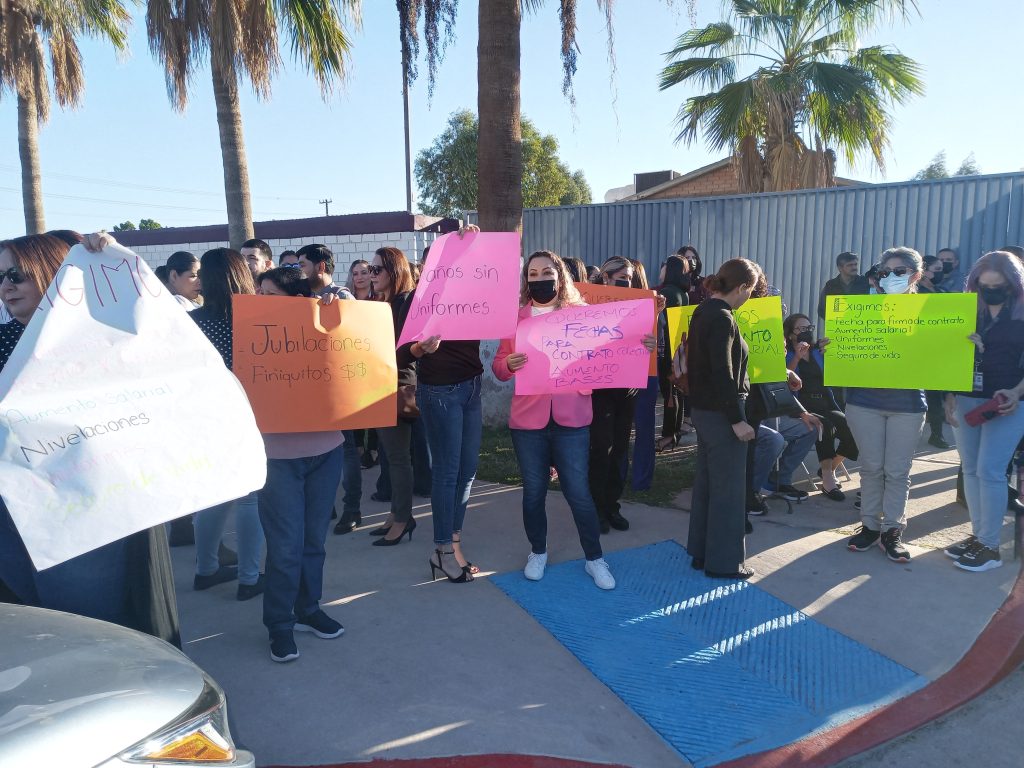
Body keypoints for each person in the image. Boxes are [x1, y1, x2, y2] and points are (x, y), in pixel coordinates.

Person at [0, 233, 180, 646]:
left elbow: (162, 338)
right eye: (1, 276)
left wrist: (107, 256)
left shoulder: (101, 340)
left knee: (101, 630)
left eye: (17, 274)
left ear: (52, 275)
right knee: (47, 632)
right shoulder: (3, 342)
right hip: (20, 521)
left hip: (95, 513)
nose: (6, 285)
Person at [492, 250, 616, 588]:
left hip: (572, 417)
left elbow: (612, 353)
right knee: (533, 491)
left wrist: (645, 339)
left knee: (578, 492)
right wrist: (508, 365)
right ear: (526, 280)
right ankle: (538, 551)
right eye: (533, 273)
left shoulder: (582, 315)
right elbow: (499, 365)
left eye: (546, 271)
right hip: (529, 421)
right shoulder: (516, 319)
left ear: (560, 275)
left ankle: (595, 558)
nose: (540, 278)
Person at [188, 249, 266, 601]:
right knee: (251, 498)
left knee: (212, 495)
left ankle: (206, 569)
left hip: (206, 414)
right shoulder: (257, 318)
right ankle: (250, 578)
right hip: (253, 411)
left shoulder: (191, 322)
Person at [845, 247, 929, 563]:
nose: (891, 278)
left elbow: (941, 354)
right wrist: (832, 348)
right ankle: (869, 526)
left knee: (897, 471)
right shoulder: (862, 310)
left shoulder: (932, 312)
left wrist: (965, 344)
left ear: (915, 275)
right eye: (885, 272)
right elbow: (847, 349)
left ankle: (892, 531)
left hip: (907, 404)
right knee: (871, 468)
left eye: (899, 271)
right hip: (863, 401)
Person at [943, 251, 1024, 572]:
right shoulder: (967, 310)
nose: (990, 290)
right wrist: (948, 395)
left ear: (1012, 284)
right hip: (966, 397)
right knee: (972, 470)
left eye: (998, 285)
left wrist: (1017, 393)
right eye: (984, 284)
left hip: (1007, 400)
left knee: (990, 470)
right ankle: (979, 536)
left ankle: (990, 547)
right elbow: (943, 355)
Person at [685, 258, 761, 579]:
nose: (750, 297)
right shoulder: (723, 318)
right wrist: (737, 420)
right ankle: (725, 563)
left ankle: (702, 553)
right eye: (751, 291)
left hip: (704, 412)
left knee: (707, 484)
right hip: (721, 413)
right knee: (729, 490)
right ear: (742, 287)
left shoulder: (702, 311)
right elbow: (723, 373)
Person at [417, 227, 485, 583]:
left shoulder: (475, 293)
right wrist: (418, 349)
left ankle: (453, 543)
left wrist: (470, 239)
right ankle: (442, 550)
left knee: (467, 469)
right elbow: (399, 352)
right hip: (439, 393)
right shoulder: (420, 298)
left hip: (472, 387)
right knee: (447, 471)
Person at [294, 244, 362, 536]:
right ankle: (328, 505)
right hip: (311, 389)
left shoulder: (342, 296)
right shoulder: (303, 297)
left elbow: (353, 340)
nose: (301, 271)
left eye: (304, 265)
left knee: (346, 450)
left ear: (321, 266)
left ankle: (352, 509)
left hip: (337, 391)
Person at [587, 257, 654, 533]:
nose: (627, 282)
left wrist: (650, 343)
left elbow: (645, 345)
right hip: (600, 388)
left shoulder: (638, 308)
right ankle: (596, 509)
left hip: (628, 388)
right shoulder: (590, 306)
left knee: (620, 449)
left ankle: (612, 505)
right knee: (601, 449)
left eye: (629, 277)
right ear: (606, 278)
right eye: (621, 277)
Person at [366, 247, 419, 546]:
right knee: (389, 456)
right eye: (371, 270)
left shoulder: (405, 302)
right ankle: (395, 515)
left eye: (377, 270)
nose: (372, 275)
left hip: (398, 386)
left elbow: (407, 348)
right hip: (375, 385)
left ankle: (403, 519)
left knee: (398, 458)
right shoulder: (376, 302)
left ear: (394, 271)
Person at [783, 313, 858, 501]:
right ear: (791, 334)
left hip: (825, 401)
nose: (806, 332)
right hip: (802, 405)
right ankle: (828, 479)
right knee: (824, 426)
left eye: (809, 328)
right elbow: (786, 379)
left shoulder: (817, 351)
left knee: (854, 429)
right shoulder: (787, 353)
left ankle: (828, 469)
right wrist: (797, 358)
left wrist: (833, 349)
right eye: (801, 329)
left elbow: (837, 368)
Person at [656, 255, 691, 452]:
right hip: (679, 349)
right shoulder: (682, 293)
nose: (660, 271)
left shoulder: (667, 292)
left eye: (663, 267)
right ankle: (674, 433)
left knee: (670, 395)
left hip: (667, 350)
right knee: (675, 393)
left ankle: (668, 436)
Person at [817, 251, 869, 321]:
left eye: (855, 264)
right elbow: (822, 309)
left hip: (862, 328)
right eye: (850, 265)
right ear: (840, 268)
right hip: (838, 329)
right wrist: (835, 321)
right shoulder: (830, 285)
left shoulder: (866, 283)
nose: (854, 267)